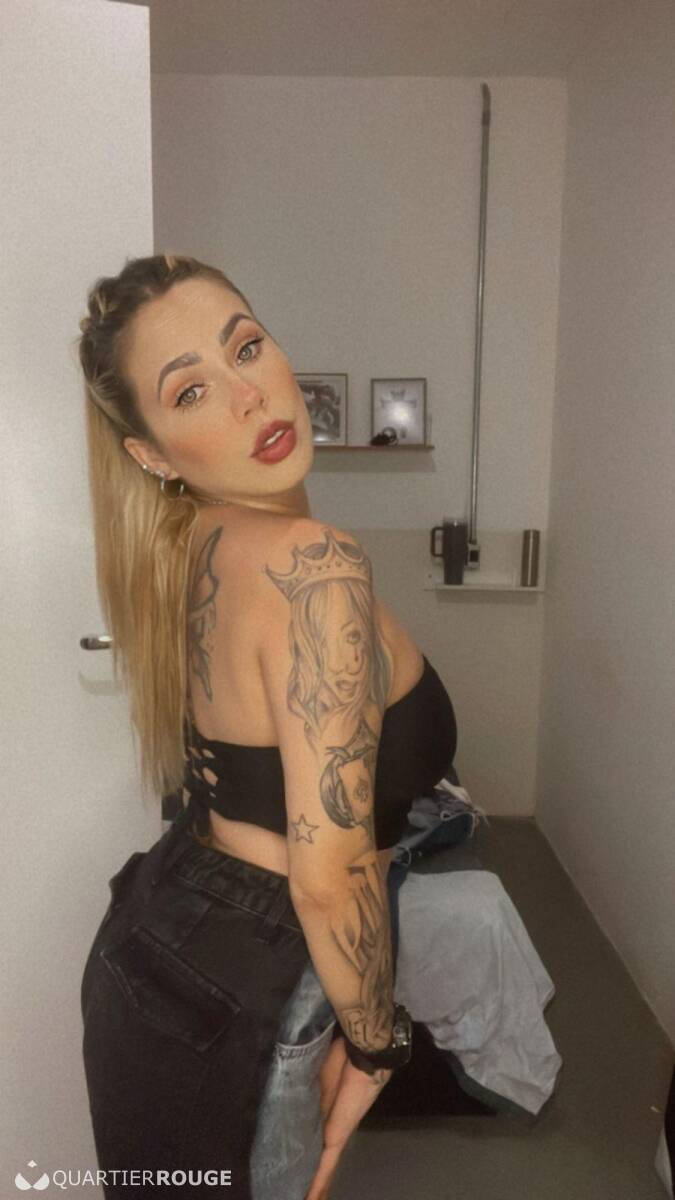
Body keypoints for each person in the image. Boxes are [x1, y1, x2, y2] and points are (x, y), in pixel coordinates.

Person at [77, 253, 457, 1199]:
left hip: (157, 929)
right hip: (251, 970)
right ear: (151, 454)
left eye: (245, 346)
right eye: (192, 389)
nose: (250, 395)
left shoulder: (188, 545)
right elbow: (329, 876)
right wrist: (377, 1047)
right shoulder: (311, 562)